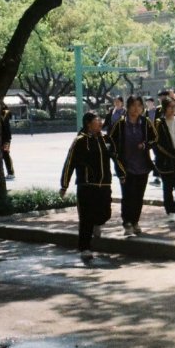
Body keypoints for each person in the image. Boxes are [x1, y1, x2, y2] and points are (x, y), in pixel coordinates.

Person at [60, 111, 120, 263]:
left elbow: (116, 157)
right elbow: (69, 163)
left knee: (105, 213)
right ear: (88, 123)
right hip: (86, 185)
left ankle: (97, 224)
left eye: (100, 119)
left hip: (104, 184)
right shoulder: (80, 141)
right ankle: (85, 248)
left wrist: (122, 173)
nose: (100, 122)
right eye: (97, 120)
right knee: (86, 218)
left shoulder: (106, 139)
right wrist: (64, 185)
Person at [108, 95, 157, 236]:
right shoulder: (120, 124)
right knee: (128, 195)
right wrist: (118, 163)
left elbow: (155, 139)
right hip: (126, 167)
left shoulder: (145, 122)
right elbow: (111, 144)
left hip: (142, 166)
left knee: (138, 196)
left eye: (139, 106)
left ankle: (135, 221)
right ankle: (127, 222)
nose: (136, 109)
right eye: (133, 105)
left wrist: (146, 145)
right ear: (128, 107)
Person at [152, 96, 175, 224]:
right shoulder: (159, 123)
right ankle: (170, 212)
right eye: (169, 107)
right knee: (168, 188)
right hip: (166, 161)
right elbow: (156, 143)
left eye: (174, 107)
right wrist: (169, 155)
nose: (172, 109)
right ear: (164, 108)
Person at [0, 103, 15, 180]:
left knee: (5, 153)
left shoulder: (5, 112)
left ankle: (11, 172)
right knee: (2, 154)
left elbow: (7, 115)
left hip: (6, 138)